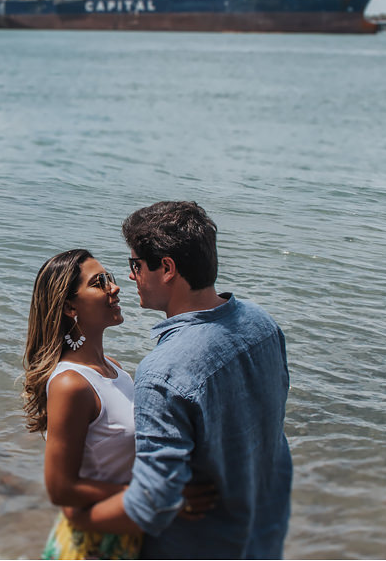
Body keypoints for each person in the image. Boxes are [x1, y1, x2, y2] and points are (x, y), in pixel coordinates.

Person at [65, 201, 293, 559]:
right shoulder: (262, 324)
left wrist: (80, 518)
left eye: (135, 265)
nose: (129, 277)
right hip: (263, 539)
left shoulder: (163, 372)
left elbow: (152, 503)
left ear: (167, 268)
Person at [23, 249, 214, 560]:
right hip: (91, 546)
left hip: (124, 533)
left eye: (110, 278)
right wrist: (154, 496)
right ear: (70, 306)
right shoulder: (71, 385)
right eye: (99, 282)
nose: (114, 287)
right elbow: (61, 489)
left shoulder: (114, 368)